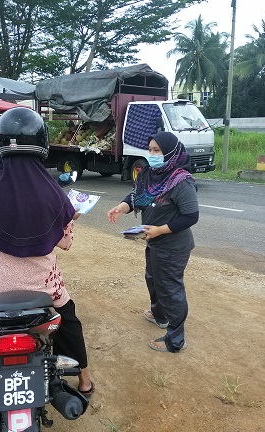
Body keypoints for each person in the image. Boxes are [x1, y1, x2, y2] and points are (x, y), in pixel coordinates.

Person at [0, 107, 94, 413]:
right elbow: (66, 242)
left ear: (1, 144)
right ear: (43, 145)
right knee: (69, 320)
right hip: (44, 287)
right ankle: (84, 380)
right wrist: (66, 218)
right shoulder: (56, 192)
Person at [107, 131, 199, 353]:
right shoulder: (149, 173)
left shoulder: (181, 180)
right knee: (154, 279)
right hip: (154, 242)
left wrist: (160, 230)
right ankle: (160, 316)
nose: (152, 154)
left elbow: (190, 216)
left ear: (171, 152)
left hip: (173, 246)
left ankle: (175, 340)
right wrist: (121, 207)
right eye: (150, 150)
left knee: (170, 289)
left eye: (157, 150)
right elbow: (135, 195)